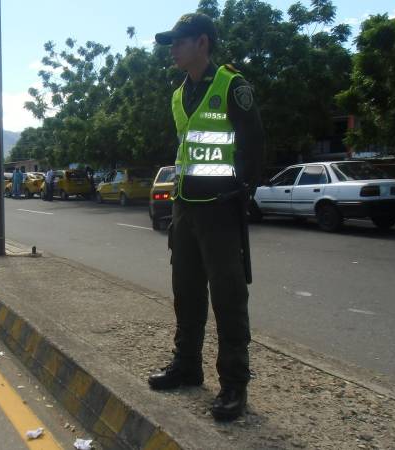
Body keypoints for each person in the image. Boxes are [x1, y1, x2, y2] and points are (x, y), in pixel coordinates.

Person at [148, 13, 264, 422]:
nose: (172, 49)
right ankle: (187, 366)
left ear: (202, 42)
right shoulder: (178, 94)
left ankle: (234, 385)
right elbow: (188, 150)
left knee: (228, 297)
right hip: (184, 207)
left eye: (178, 42)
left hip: (219, 207)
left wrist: (238, 190)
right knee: (187, 291)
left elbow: (253, 145)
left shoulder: (232, 85)